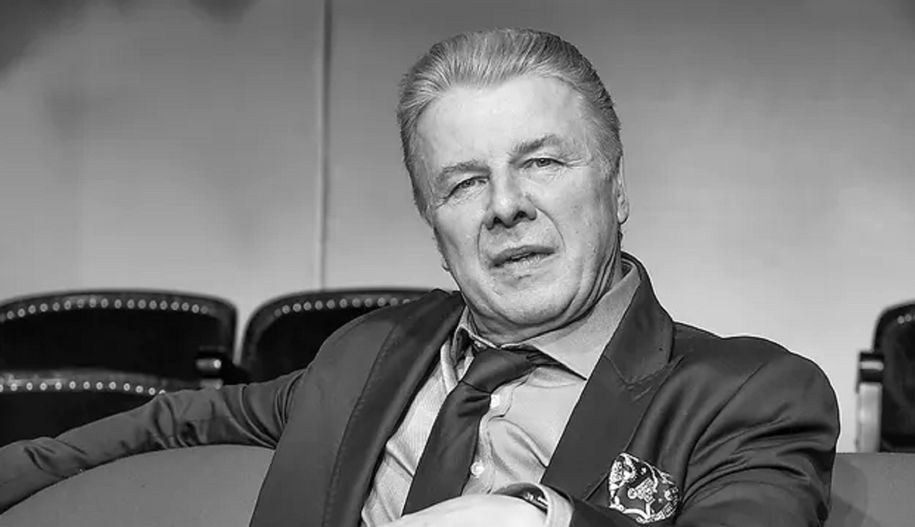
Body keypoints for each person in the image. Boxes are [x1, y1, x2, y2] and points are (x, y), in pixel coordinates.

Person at [0, 28, 839, 527]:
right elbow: (171, 425)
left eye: (542, 163)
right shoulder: (366, 352)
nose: (505, 206)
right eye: (464, 183)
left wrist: (538, 519)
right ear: (435, 227)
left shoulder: (752, 392)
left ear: (616, 191)